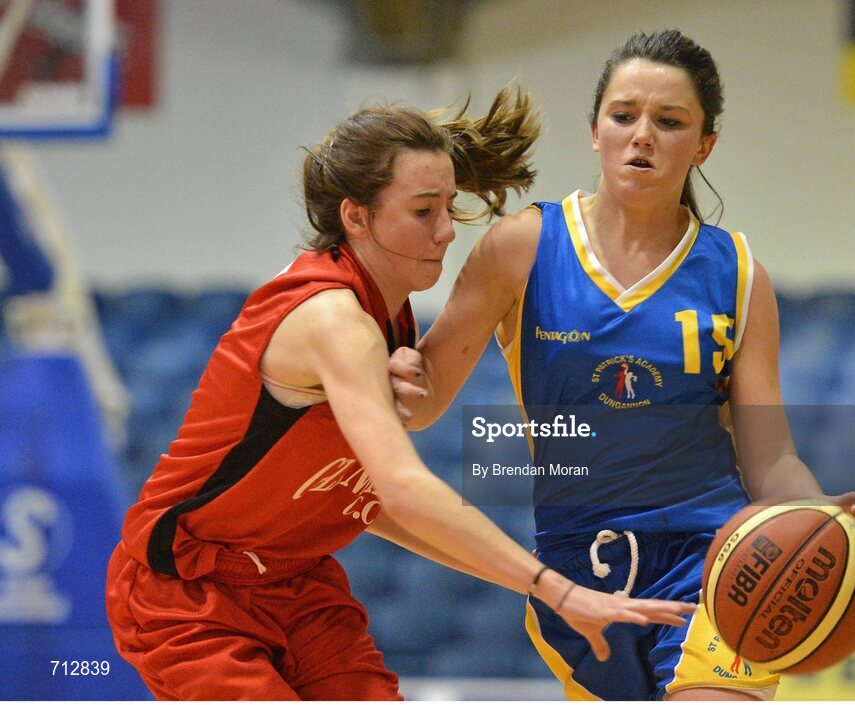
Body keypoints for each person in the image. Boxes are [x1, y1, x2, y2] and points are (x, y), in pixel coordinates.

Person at [104, 86, 695, 701]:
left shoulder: (392, 317)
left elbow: (365, 504)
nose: (445, 231)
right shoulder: (334, 321)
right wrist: (556, 588)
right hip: (188, 589)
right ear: (355, 216)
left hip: (297, 583)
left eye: (449, 206)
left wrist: (529, 583)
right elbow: (402, 490)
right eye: (422, 211)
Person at [388, 32, 855, 701]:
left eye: (670, 121)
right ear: (595, 130)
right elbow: (424, 405)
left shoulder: (739, 273)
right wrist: (392, 369)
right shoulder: (521, 246)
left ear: (704, 145)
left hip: (713, 563)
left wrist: (812, 510)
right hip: (578, 568)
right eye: (624, 115)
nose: (643, 136)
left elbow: (770, 456)